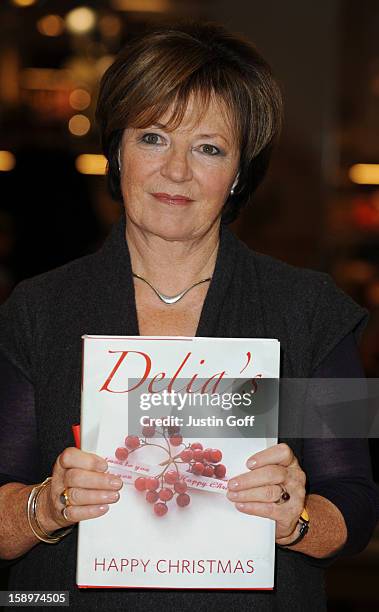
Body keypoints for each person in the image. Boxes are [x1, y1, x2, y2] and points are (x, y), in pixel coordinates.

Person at [0, 20, 378, 612]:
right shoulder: (38, 310)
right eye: (153, 138)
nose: (177, 171)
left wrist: (296, 519)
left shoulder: (312, 312)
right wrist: (44, 507)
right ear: (116, 151)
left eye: (209, 148)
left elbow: (356, 500)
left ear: (237, 175)